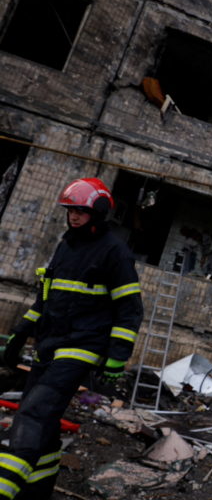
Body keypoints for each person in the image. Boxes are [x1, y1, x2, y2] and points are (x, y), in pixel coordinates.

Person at [0, 177, 143, 500]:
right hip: (48, 345)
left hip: (82, 347)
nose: (74, 216)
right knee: (46, 424)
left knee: (32, 413)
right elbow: (45, 300)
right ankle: (37, 491)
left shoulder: (114, 252)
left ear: (99, 212)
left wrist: (117, 357)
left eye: (81, 211)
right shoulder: (65, 246)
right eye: (70, 211)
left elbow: (130, 309)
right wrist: (20, 335)